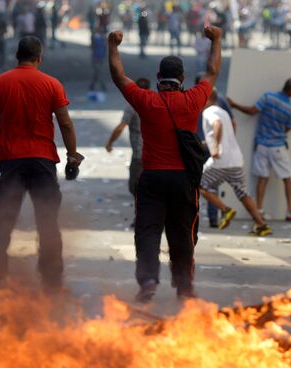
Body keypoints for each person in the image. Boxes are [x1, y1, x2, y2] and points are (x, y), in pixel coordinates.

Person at [108, 25, 223, 303]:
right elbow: (212, 71)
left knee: (147, 231)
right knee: (182, 233)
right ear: (182, 78)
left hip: (152, 179)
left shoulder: (146, 100)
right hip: (183, 180)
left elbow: (119, 76)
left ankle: (148, 281)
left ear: (159, 78)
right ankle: (184, 286)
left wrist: (113, 45)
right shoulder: (194, 99)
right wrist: (216, 40)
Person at [0, 36, 83, 291]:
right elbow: (65, 122)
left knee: (2, 221)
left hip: (11, 162)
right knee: (47, 222)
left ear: (17, 55)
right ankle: (52, 279)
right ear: (39, 57)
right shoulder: (51, 84)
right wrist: (72, 155)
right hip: (42, 162)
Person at [227, 78, 291, 222]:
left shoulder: (268, 97)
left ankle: (260, 209)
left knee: (262, 178)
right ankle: (290, 211)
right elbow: (287, 129)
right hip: (277, 147)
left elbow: (251, 111)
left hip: (261, 145)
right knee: (287, 179)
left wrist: (234, 105)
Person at [200, 89, 272, 236]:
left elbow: (217, 124)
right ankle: (261, 225)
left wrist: (215, 147)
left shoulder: (209, 112)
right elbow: (230, 126)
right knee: (243, 193)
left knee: (200, 184)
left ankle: (226, 210)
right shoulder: (223, 112)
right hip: (236, 160)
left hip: (220, 160)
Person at [194, 73, 236, 228]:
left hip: (198, 147)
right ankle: (212, 217)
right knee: (210, 184)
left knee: (196, 183)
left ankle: (201, 217)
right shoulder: (219, 100)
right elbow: (231, 122)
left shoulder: (191, 98)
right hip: (207, 147)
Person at [104, 77, 150, 211]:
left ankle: (141, 217)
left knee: (135, 187)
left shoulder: (132, 107)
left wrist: (109, 143)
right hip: (153, 153)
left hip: (139, 155)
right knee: (145, 188)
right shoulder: (153, 103)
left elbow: (120, 127)